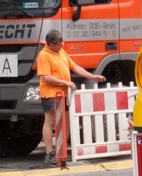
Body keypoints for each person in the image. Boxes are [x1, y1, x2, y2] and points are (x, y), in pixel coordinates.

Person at [37, 29, 105, 165]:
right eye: (59, 44)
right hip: (50, 93)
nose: (62, 45)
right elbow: (46, 77)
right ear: (51, 44)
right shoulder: (43, 56)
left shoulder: (61, 52)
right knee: (50, 121)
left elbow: (75, 67)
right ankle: (49, 153)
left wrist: (92, 77)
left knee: (66, 122)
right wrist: (66, 82)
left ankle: (60, 151)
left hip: (63, 93)